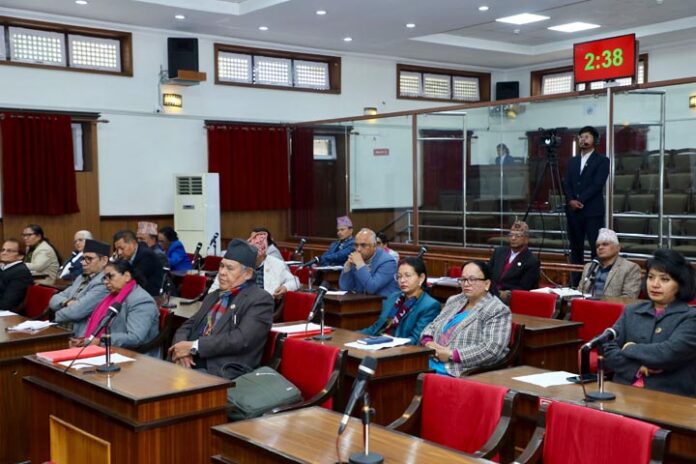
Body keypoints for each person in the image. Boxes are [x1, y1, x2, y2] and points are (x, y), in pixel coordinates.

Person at [169, 239, 274, 379]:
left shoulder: (260, 299)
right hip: (189, 361)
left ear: (248, 273)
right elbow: (187, 326)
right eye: (221, 266)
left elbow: (241, 339)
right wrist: (181, 350)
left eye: (229, 268)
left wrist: (193, 346)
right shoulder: (214, 295)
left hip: (222, 371)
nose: (222, 272)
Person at [604, 249, 696, 397]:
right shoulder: (631, 311)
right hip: (623, 391)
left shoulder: (691, 317)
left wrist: (629, 347)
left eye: (664, 279)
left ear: (680, 284)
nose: (655, 284)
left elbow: (666, 354)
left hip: (667, 396)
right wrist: (636, 368)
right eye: (651, 277)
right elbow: (607, 348)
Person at [420, 261, 511, 377]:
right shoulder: (455, 300)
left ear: (487, 284)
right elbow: (433, 325)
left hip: (457, 369)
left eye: (472, 279)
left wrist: (451, 354)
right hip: (429, 360)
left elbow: (491, 349)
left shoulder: (497, 310)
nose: (466, 284)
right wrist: (428, 342)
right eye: (463, 279)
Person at [76, 259, 160, 357]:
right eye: (104, 278)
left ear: (127, 276)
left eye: (110, 276)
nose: (106, 282)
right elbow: (96, 323)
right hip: (111, 350)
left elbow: (135, 337)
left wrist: (101, 340)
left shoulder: (141, 300)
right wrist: (84, 340)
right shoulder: (110, 297)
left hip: (135, 357)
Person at [562, 126, 610, 286]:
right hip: (573, 211)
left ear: (594, 140)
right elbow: (567, 183)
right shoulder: (573, 161)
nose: (583, 139)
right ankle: (575, 283)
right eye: (581, 137)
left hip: (592, 211)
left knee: (596, 248)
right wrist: (571, 200)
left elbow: (597, 184)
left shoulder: (602, 160)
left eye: (587, 137)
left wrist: (580, 200)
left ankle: (594, 283)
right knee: (575, 248)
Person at [361, 257, 440, 345]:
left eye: (408, 275)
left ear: (421, 278)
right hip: (378, 342)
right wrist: (354, 336)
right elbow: (376, 328)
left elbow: (416, 340)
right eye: (399, 276)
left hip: (401, 349)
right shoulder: (393, 297)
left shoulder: (430, 305)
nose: (402, 280)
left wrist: (388, 341)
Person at [51, 239, 111, 336]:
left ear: (104, 260)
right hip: (63, 328)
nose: (83, 263)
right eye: (83, 258)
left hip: (80, 335)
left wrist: (56, 314)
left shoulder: (104, 283)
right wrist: (67, 302)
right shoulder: (81, 277)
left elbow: (76, 312)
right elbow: (54, 299)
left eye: (89, 259)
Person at [578, 228, 641, 298]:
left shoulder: (630, 268)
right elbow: (580, 292)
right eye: (597, 246)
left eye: (605, 244)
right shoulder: (589, 267)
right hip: (586, 303)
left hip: (611, 305)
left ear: (618, 247)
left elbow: (629, 297)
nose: (600, 248)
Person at [488, 220, 540, 304]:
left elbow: (525, 288)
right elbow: (487, 273)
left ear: (526, 239)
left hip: (511, 300)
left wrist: (506, 294)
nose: (513, 238)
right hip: (490, 293)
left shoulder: (532, 261)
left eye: (517, 236)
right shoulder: (499, 252)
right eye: (511, 235)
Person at [339, 228, 400, 298]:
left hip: (382, 302)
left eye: (363, 245)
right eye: (356, 245)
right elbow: (345, 288)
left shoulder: (388, 262)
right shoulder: (357, 259)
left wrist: (360, 264)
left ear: (374, 245)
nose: (358, 249)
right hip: (361, 301)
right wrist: (347, 267)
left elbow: (372, 288)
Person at [113, 230, 164, 297]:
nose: (119, 252)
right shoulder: (129, 255)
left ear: (133, 243)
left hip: (154, 297)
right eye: (117, 249)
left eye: (122, 248)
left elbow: (135, 280)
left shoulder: (146, 255)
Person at [0, 239, 33, 311]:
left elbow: (7, 304)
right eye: (3, 250)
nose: (3, 253)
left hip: (9, 314)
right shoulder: (4, 267)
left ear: (20, 256)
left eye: (9, 251)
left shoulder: (20, 273)